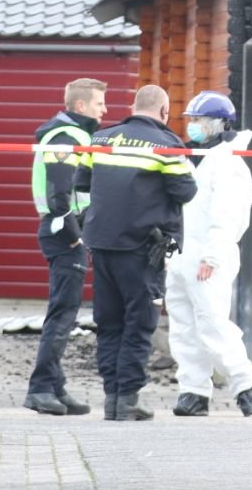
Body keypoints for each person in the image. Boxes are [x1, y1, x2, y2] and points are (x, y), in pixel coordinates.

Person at [74, 85, 197, 421]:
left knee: (108, 322)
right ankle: (127, 399)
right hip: (142, 247)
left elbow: (82, 181)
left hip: (100, 243)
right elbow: (186, 191)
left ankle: (112, 399)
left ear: (133, 106)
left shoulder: (100, 139)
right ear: (164, 111)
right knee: (139, 323)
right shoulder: (167, 145)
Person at [165, 91, 252, 418]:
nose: (192, 126)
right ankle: (193, 391)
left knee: (212, 324)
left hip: (207, 257)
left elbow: (227, 216)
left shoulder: (228, 165)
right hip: (182, 255)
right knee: (184, 328)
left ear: (218, 123)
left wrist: (211, 257)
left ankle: (247, 386)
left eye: (197, 120)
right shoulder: (195, 158)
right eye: (190, 120)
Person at [24, 78, 108, 416]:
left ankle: (55, 386)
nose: (105, 110)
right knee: (61, 314)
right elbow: (60, 191)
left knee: (65, 312)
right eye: (100, 103)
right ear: (81, 106)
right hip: (62, 231)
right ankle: (41, 388)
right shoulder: (66, 137)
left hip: (65, 229)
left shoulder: (74, 135)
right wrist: (73, 234)